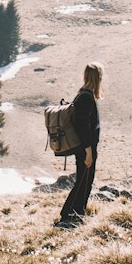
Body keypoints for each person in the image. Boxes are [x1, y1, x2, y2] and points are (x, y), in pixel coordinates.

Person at [55, 61, 102, 229]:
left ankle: (76, 212)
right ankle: (68, 214)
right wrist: (88, 152)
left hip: (85, 147)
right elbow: (83, 128)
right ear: (97, 78)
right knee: (83, 180)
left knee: (85, 180)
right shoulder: (85, 98)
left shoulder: (83, 94)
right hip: (85, 148)